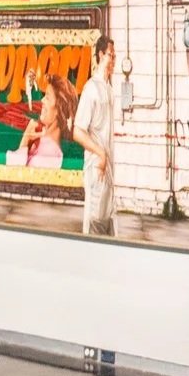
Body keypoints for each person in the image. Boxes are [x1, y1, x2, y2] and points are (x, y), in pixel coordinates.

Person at [70, 35, 119, 237]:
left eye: (115, 56)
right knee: (96, 223)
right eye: (110, 55)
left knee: (107, 224)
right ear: (100, 55)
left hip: (107, 170)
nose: (113, 60)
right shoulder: (91, 89)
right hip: (96, 169)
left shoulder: (108, 89)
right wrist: (100, 153)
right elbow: (77, 131)